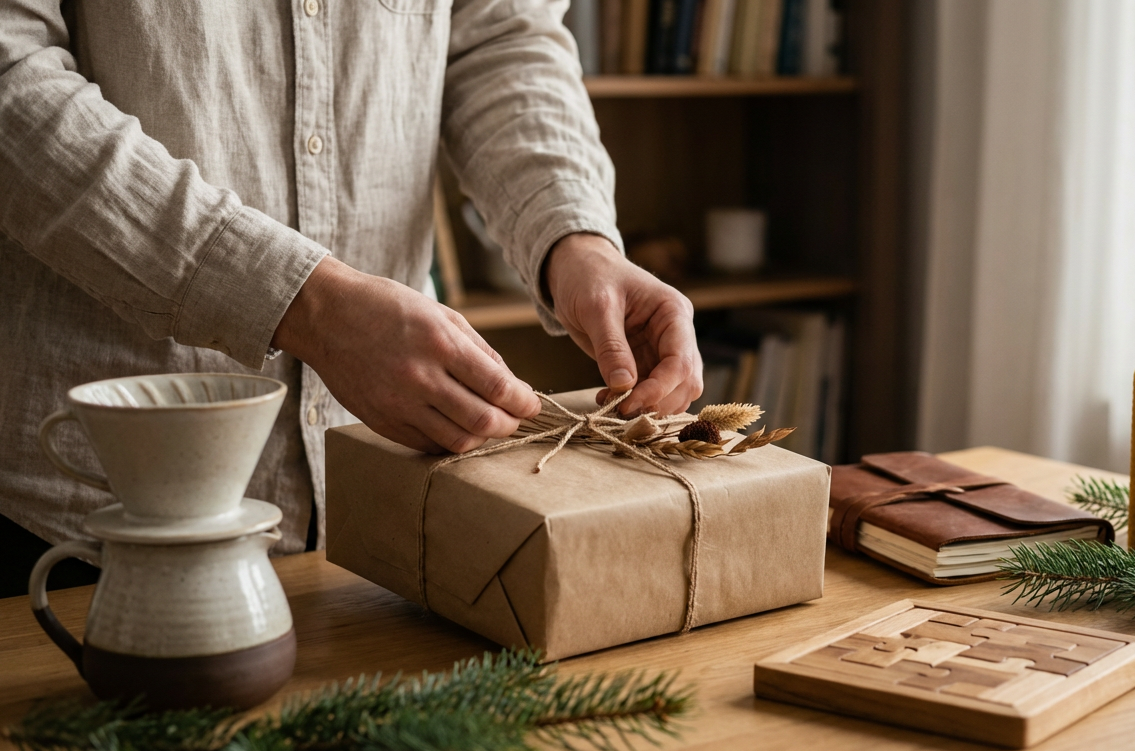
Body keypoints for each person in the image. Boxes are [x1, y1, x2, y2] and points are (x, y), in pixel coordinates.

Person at [0, 0, 703, 596]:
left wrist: (574, 239)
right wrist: (307, 306)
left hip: (382, 500)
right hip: (90, 517)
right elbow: (12, 74)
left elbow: (501, 39)